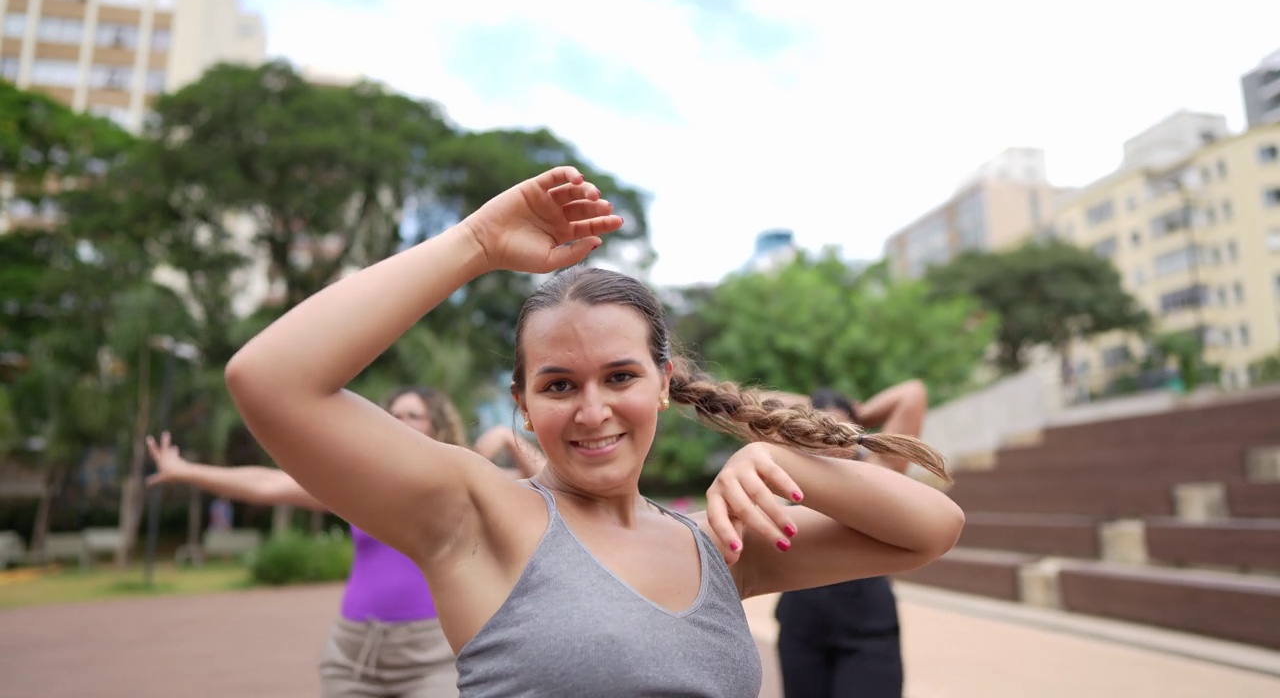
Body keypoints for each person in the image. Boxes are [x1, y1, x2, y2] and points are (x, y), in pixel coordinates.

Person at [223, 166, 965, 697]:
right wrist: (477, 243)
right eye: (557, 385)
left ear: (663, 385)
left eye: (619, 377)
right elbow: (270, 381)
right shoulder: (478, 515)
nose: (591, 409)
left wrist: (776, 457)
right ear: (522, 402)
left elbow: (930, 529)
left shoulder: (720, 544)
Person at [145, 385, 542, 698]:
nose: (399, 421)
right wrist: (185, 470)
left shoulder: (468, 490)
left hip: (431, 657)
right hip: (353, 653)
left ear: (435, 427)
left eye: (412, 415)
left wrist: (509, 440)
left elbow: (550, 488)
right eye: (394, 415)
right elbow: (267, 483)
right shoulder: (360, 488)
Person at [773, 381, 929, 698]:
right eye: (820, 424)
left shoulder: (879, 469)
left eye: (839, 425)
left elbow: (912, 393)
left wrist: (854, 410)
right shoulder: (792, 470)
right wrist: (815, 406)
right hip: (802, 627)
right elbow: (765, 402)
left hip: (867, 629)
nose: (830, 433)